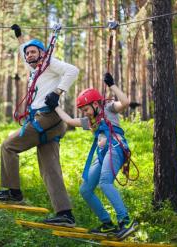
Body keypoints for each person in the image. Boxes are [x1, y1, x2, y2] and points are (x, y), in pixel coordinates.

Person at [0, 24, 79, 227]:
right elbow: (25, 55)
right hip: (49, 123)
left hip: (47, 118)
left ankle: (13, 192)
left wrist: (57, 92)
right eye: (28, 53)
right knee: (50, 168)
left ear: (42, 53)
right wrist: (20, 38)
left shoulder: (49, 64)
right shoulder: (36, 70)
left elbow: (73, 70)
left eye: (34, 52)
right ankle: (65, 213)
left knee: (8, 145)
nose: (30, 55)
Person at [45, 73, 137, 239]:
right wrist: (55, 106)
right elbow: (71, 121)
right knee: (86, 189)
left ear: (95, 104)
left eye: (86, 109)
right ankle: (107, 224)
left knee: (104, 182)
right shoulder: (90, 121)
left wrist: (112, 85)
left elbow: (125, 102)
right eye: (82, 111)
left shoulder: (108, 109)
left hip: (115, 147)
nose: (85, 113)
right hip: (102, 153)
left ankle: (125, 221)